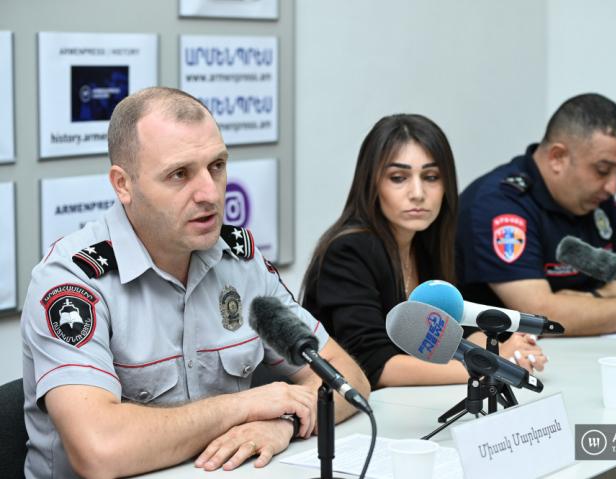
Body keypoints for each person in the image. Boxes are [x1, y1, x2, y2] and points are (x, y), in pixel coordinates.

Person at [21, 87, 370, 478]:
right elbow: (99, 451)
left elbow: (345, 377)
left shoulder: (240, 261)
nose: (209, 193)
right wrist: (245, 406)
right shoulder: (73, 283)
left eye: (216, 166)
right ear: (123, 184)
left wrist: (283, 422)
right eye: (179, 174)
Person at [301, 114, 547, 390]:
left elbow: (449, 336)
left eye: (431, 177)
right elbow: (374, 366)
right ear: (371, 183)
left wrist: (502, 346)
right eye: (398, 177)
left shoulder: (425, 241)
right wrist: (490, 366)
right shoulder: (348, 251)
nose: (417, 193)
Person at [456, 93, 616, 336]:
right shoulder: (499, 203)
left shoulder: (594, 197)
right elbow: (541, 316)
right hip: (503, 362)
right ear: (557, 157)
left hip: (587, 345)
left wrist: (593, 301)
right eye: (603, 170)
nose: (613, 187)